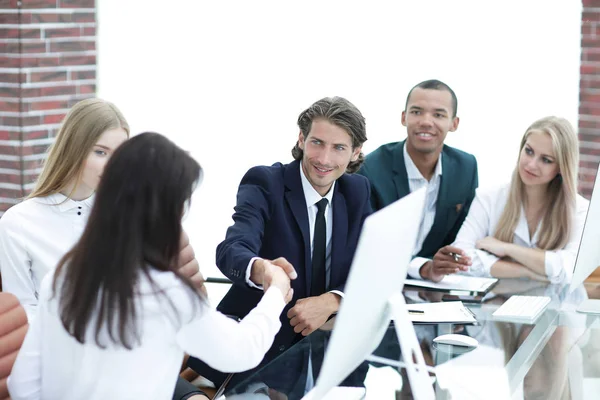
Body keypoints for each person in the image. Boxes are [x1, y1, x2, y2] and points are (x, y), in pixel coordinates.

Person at [7, 132, 294, 400]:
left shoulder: (63, 276)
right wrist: (276, 292)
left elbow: (22, 386)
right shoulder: (165, 293)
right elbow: (242, 351)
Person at [188, 96, 372, 388]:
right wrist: (262, 270)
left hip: (328, 351)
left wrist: (331, 300)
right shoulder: (266, 182)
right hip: (257, 354)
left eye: (338, 148)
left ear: (355, 152)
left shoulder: (357, 190)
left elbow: (372, 266)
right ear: (301, 139)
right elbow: (232, 249)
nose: (324, 159)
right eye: (317, 142)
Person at [0, 99, 205, 321]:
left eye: (118, 154)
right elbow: (22, 309)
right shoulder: (18, 222)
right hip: (54, 350)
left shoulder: (131, 215)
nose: (111, 165)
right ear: (73, 150)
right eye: (100, 152)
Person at [357, 79, 478, 282]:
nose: (426, 121)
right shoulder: (370, 169)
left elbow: (461, 237)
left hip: (435, 287)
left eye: (438, 114)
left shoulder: (465, 167)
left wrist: (447, 262)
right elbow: (366, 245)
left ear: (454, 124)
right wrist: (422, 267)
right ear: (404, 118)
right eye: (416, 112)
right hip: (377, 281)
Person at [444, 116, 588, 283]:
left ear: (561, 168)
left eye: (546, 160)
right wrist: (527, 272)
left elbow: (569, 268)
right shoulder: (489, 197)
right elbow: (459, 256)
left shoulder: (579, 210)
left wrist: (507, 249)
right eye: (529, 151)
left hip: (559, 305)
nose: (531, 164)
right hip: (496, 301)